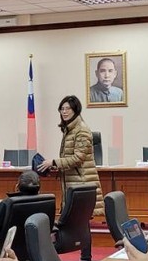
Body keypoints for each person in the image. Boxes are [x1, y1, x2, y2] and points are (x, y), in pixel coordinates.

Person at [37, 95, 103, 235]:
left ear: (75, 110)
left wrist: (54, 162)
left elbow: (78, 158)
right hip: (73, 182)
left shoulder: (81, 130)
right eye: (62, 109)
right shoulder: (69, 129)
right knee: (78, 223)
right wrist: (54, 166)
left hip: (82, 182)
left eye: (68, 108)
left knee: (80, 221)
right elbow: (68, 158)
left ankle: (85, 250)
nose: (64, 112)